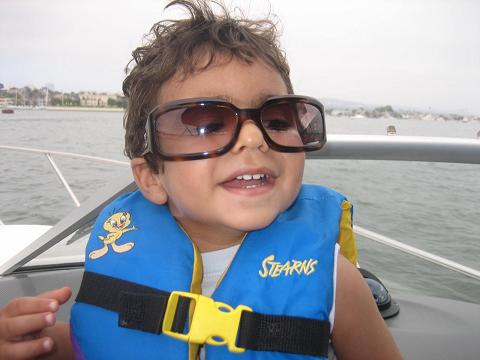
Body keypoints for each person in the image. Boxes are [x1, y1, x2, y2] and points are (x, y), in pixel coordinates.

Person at [0, 1, 403, 359]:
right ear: (152, 178)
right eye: (208, 123)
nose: (252, 138)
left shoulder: (336, 281)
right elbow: (96, 342)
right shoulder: (119, 249)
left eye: (277, 119)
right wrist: (34, 345)